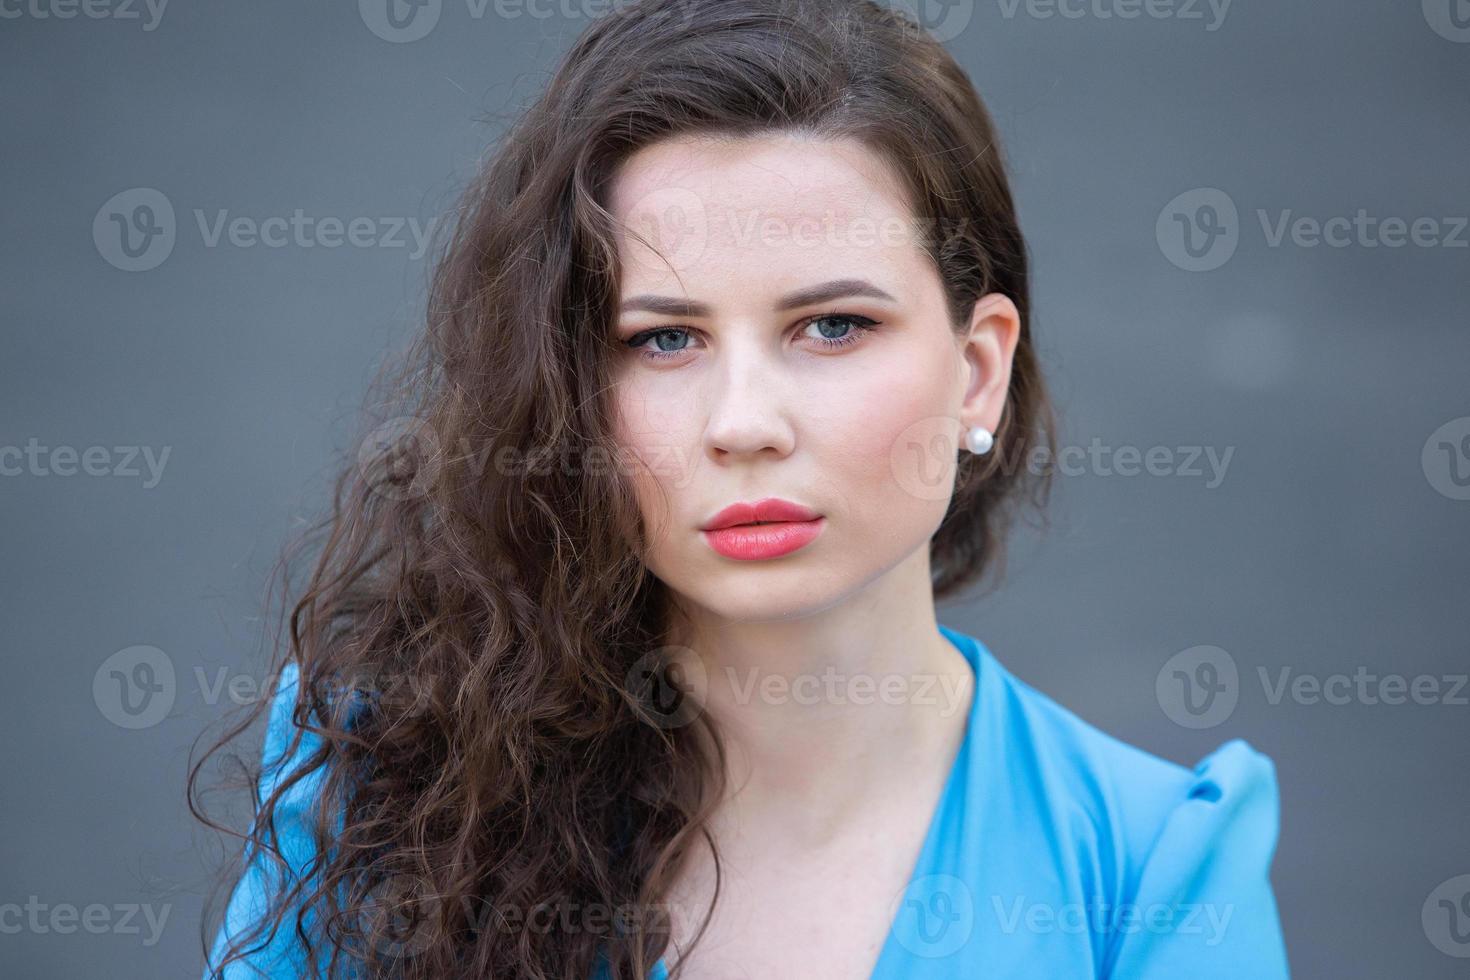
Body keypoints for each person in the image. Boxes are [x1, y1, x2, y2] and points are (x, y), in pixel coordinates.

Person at [194, 0, 1290, 976]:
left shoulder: (1153, 870)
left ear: (977, 369)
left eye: (832, 326)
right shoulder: (382, 785)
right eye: (664, 338)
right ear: (571, 386)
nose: (744, 423)